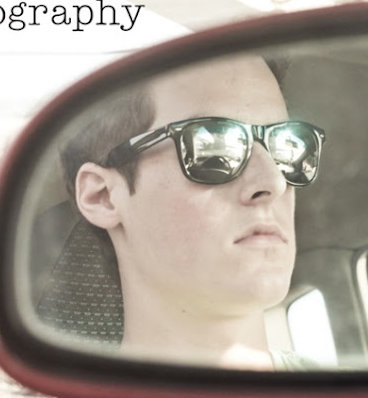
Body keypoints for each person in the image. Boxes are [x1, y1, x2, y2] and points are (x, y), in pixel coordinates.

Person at [55, 53, 324, 370]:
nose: (275, 182)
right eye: (214, 147)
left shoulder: (354, 393)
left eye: (287, 145)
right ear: (102, 197)